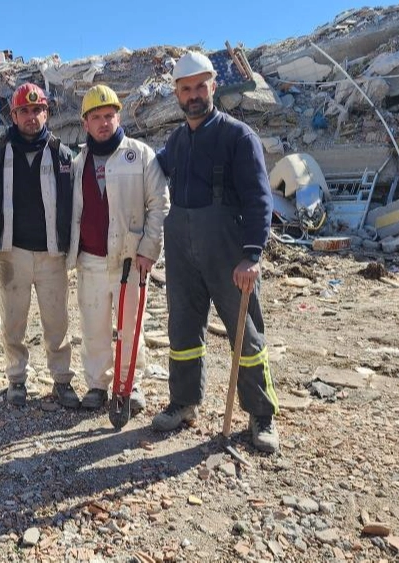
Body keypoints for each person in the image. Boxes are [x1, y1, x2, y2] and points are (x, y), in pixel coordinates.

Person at [152, 52, 280, 453]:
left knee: (246, 335)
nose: (193, 95)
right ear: (177, 93)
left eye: (200, 87)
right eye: (185, 88)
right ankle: (184, 402)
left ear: (213, 86)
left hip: (228, 254)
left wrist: (252, 255)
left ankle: (261, 414)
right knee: (183, 329)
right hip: (182, 252)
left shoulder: (238, 136)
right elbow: (151, 172)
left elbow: (260, 199)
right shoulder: (176, 141)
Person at [67, 85, 169, 411]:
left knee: (130, 327)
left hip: (130, 260)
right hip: (91, 260)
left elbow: (159, 204)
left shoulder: (140, 155)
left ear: (118, 117)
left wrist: (149, 249)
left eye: (109, 115)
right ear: (85, 123)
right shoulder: (78, 162)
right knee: (93, 328)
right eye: (96, 117)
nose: (104, 123)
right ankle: (97, 384)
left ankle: (129, 384)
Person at [0, 83, 76, 408]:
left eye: (37, 110)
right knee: (13, 321)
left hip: (51, 254)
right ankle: (16, 378)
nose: (31, 117)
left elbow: (77, 203)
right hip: (12, 252)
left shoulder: (62, 154)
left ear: (46, 113)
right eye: (24, 111)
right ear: (13, 115)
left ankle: (62, 379)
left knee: (57, 321)